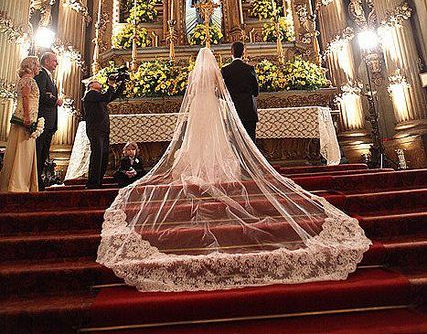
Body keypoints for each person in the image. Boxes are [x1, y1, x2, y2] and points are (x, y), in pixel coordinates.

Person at [97, 47, 371, 293]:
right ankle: (216, 165)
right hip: (214, 112)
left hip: (199, 112)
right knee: (217, 142)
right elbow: (223, 92)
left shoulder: (197, 77)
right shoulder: (223, 73)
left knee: (197, 141)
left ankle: (196, 164)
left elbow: (192, 95)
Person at [0, 56, 42, 192]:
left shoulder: (26, 80)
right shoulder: (28, 80)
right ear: (31, 65)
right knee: (23, 150)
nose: (38, 68)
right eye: (37, 65)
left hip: (27, 117)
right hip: (25, 119)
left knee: (23, 150)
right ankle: (18, 184)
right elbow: (25, 97)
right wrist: (27, 117)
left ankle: (19, 182)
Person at [82, 77, 126, 189]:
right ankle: (92, 182)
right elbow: (106, 96)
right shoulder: (90, 94)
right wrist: (110, 85)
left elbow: (112, 96)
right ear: (91, 85)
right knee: (97, 155)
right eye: (97, 82)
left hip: (103, 129)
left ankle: (98, 180)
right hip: (95, 129)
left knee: (104, 155)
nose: (100, 83)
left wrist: (122, 83)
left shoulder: (99, 97)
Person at [35, 52, 62, 190]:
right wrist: (54, 99)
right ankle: (36, 180)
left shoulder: (49, 76)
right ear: (46, 61)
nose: (56, 63)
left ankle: (39, 179)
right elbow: (41, 94)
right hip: (43, 121)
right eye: (54, 61)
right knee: (39, 151)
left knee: (44, 152)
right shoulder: (41, 75)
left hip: (49, 122)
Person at [221, 41, 259, 141]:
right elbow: (256, 92)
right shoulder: (250, 68)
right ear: (243, 53)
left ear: (231, 52)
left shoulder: (225, 70)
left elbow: (222, 92)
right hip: (249, 111)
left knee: (235, 141)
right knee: (250, 141)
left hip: (233, 111)